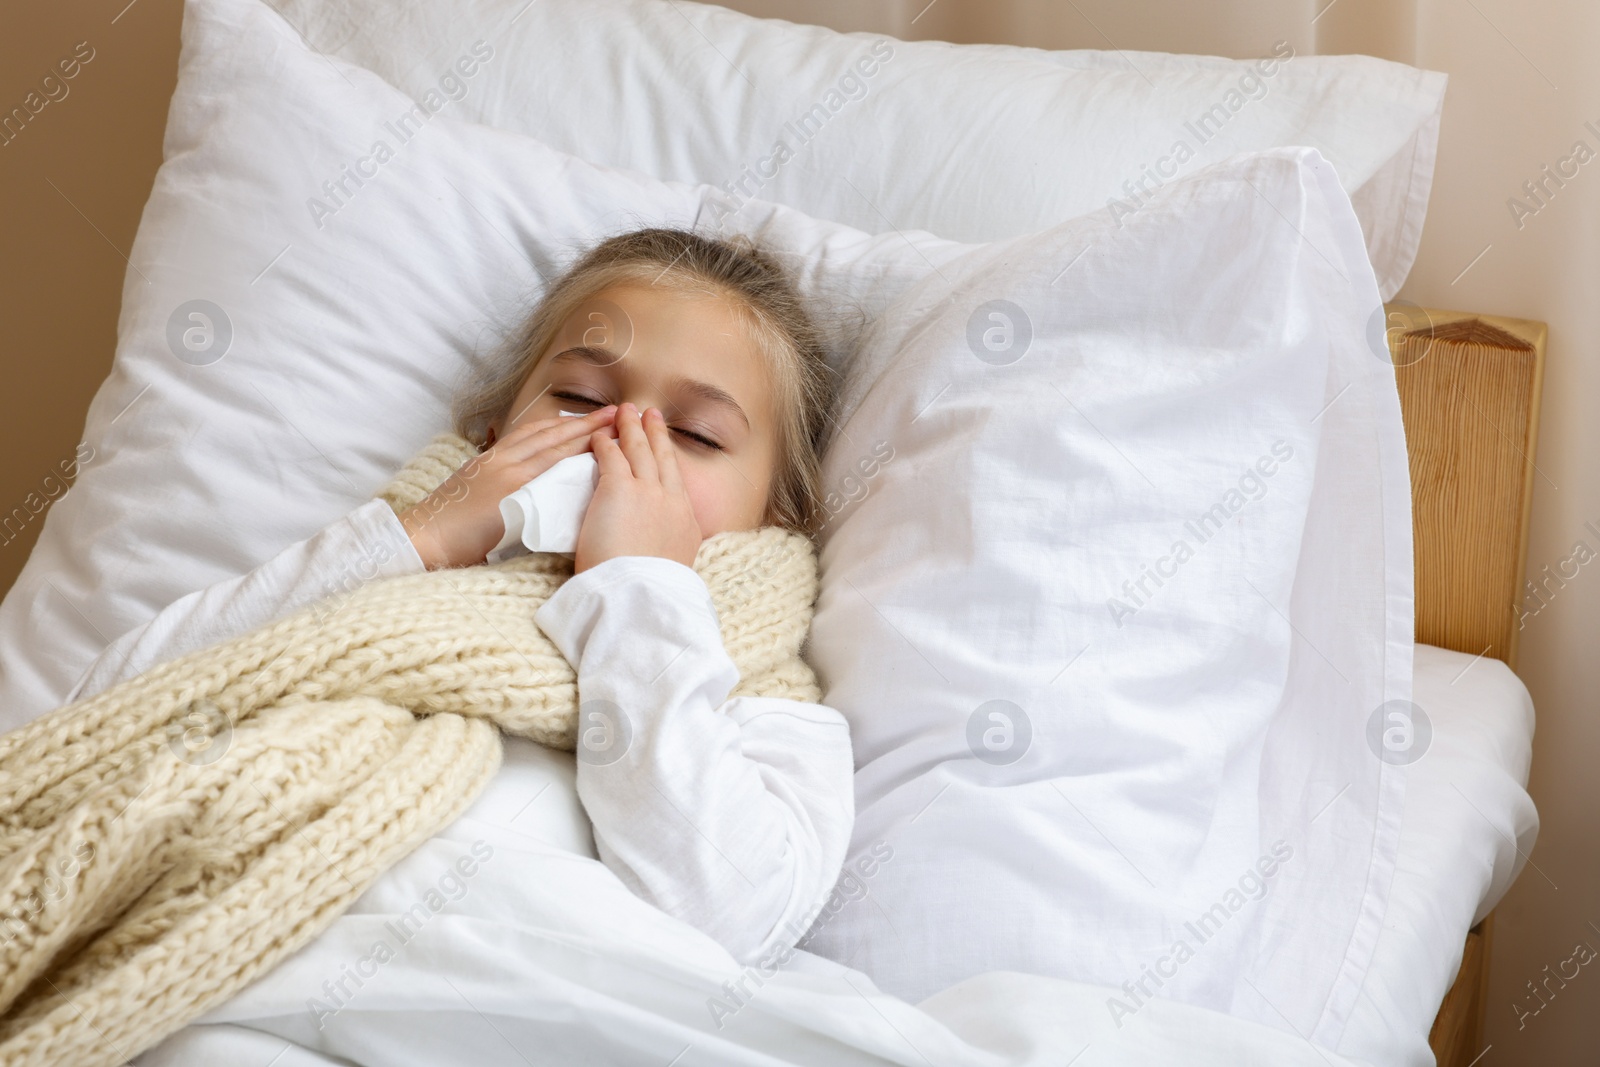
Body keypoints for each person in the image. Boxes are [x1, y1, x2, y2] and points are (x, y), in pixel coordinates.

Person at [65, 227, 854, 967]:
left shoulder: (768, 710)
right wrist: (422, 536)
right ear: (492, 434)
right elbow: (106, 718)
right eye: (578, 398)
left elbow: (735, 921)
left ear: (776, 509)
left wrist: (639, 589)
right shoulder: (372, 580)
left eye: (696, 435)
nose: (619, 442)